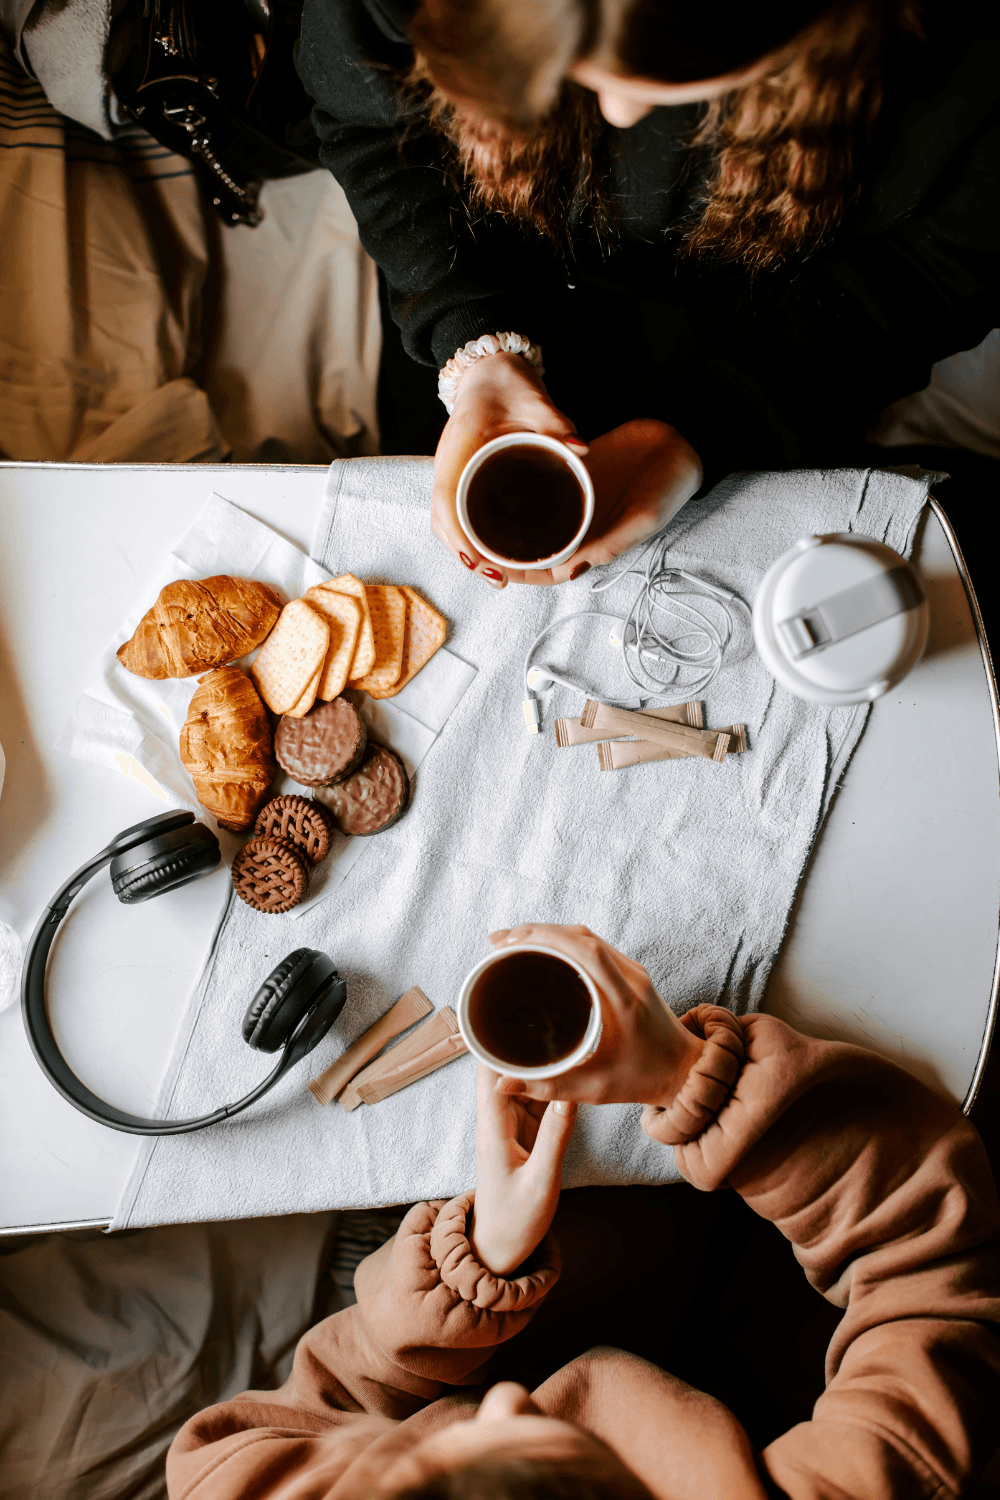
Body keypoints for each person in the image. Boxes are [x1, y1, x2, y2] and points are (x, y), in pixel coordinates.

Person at [166, 923, 1000, 1499]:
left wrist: (472, 1270)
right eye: (529, 1425)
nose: (505, 1399)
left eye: (433, 1446)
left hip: (503, 1305)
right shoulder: (884, 1479)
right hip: (789, 1329)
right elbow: (929, 1270)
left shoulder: (238, 1482)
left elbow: (322, 1405)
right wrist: (693, 1083)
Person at [296, 0, 999, 590]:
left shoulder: (970, 61)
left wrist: (711, 430)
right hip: (488, 263)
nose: (621, 113)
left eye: (675, 81)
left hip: (796, 318)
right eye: (577, 73)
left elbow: (937, 274)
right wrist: (469, 340)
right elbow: (369, 129)